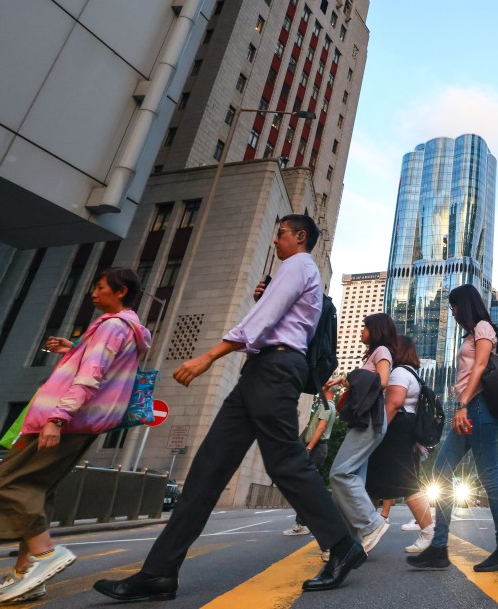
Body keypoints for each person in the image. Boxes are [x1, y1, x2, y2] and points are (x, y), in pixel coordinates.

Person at [94, 215, 363, 602]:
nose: (275, 241)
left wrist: (209, 356)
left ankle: (341, 545)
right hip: (263, 369)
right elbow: (273, 316)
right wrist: (262, 300)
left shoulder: (299, 264)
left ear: (300, 237)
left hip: (275, 369)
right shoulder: (296, 272)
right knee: (207, 470)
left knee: (286, 461)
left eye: (281, 234)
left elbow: (264, 321)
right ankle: (158, 574)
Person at [0, 268, 150, 604]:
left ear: (121, 291)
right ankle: (26, 574)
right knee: (38, 490)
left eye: (100, 287)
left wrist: (57, 418)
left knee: (7, 483)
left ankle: (45, 555)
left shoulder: (113, 326)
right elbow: (101, 368)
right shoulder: (127, 329)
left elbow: (91, 375)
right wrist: (74, 349)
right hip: (82, 422)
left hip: (66, 419)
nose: (93, 293)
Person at [407, 285, 498, 572]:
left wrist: (463, 404)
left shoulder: (483, 328)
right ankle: (439, 547)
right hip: (469, 409)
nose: (453, 311)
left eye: (454, 305)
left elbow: (480, 366)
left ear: (465, 305)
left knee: (490, 477)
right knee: (440, 471)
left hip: (477, 408)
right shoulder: (472, 333)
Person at [325, 313, 396, 556]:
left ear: (376, 330)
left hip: (369, 422)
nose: (361, 331)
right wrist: (345, 380)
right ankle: (348, 543)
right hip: (364, 422)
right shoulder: (373, 354)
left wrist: (351, 377)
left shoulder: (382, 351)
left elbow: (383, 381)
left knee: (340, 473)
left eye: (364, 327)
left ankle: (372, 524)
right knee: (352, 478)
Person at [364, 336, 435, 553]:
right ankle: (364, 531)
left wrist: (376, 431)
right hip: (403, 429)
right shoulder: (411, 373)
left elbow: (393, 404)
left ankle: (429, 532)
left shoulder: (400, 373)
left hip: (395, 429)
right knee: (374, 482)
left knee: (406, 483)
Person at [284, 390, 338, 536]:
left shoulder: (326, 406)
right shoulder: (327, 406)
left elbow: (321, 428)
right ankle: (308, 521)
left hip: (316, 448)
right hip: (317, 447)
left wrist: (309, 447)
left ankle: (302, 524)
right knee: (310, 485)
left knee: (305, 486)